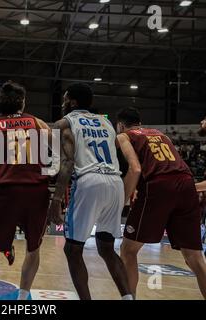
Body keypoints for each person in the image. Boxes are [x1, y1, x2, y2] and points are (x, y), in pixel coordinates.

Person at [47, 83, 133, 300]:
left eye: (66, 99)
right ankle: (128, 298)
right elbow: (122, 163)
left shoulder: (63, 123)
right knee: (106, 247)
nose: (63, 102)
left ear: (73, 102)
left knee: (73, 249)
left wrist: (56, 199)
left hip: (89, 181)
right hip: (115, 182)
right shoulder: (107, 123)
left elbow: (67, 164)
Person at [0, 81, 51, 300]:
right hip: (38, 192)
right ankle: (22, 300)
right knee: (33, 249)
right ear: (22, 102)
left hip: (8, 192)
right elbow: (61, 156)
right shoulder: (39, 123)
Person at [116, 107, 206, 299]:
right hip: (186, 183)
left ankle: (129, 298)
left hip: (159, 186)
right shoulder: (160, 134)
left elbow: (136, 169)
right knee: (195, 258)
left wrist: (121, 200)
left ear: (121, 125)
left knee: (128, 250)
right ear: (140, 123)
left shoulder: (124, 136)